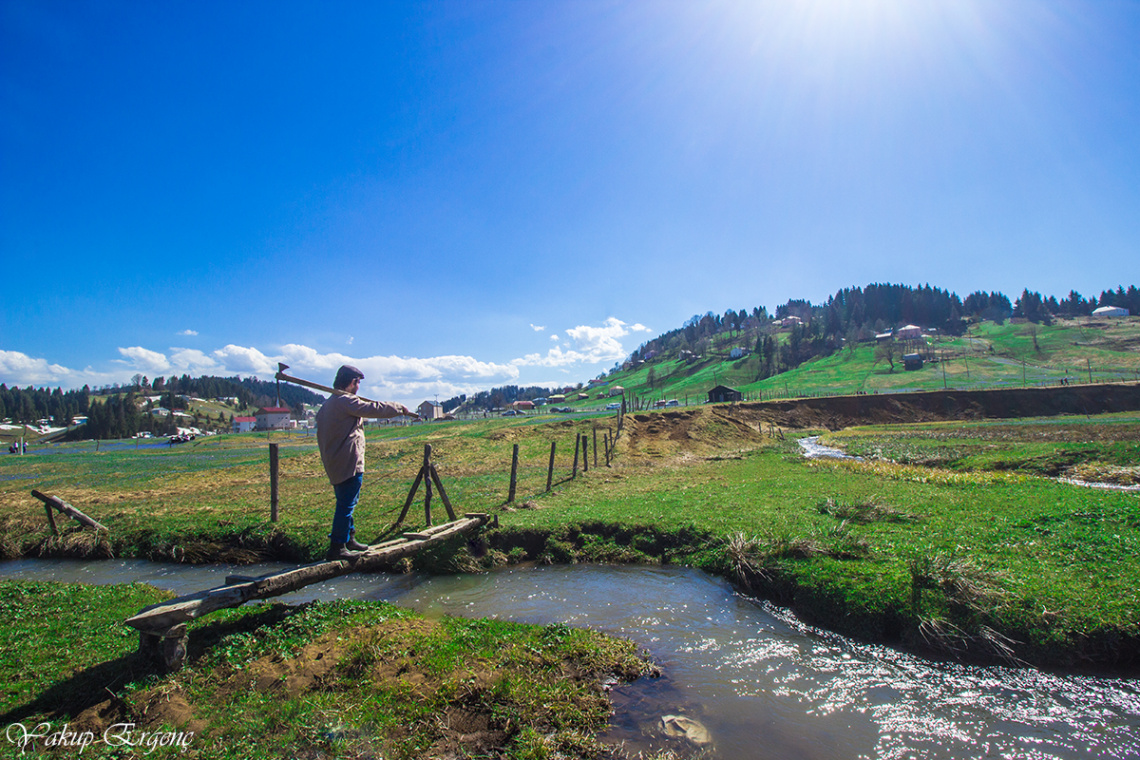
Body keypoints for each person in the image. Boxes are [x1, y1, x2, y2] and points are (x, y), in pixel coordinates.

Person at [316, 365, 418, 560]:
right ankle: (337, 547)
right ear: (352, 382)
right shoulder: (345, 401)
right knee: (346, 504)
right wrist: (397, 407)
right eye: (358, 383)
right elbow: (374, 409)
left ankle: (348, 539)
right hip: (348, 462)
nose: (358, 388)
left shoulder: (328, 405)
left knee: (346, 501)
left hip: (334, 462)